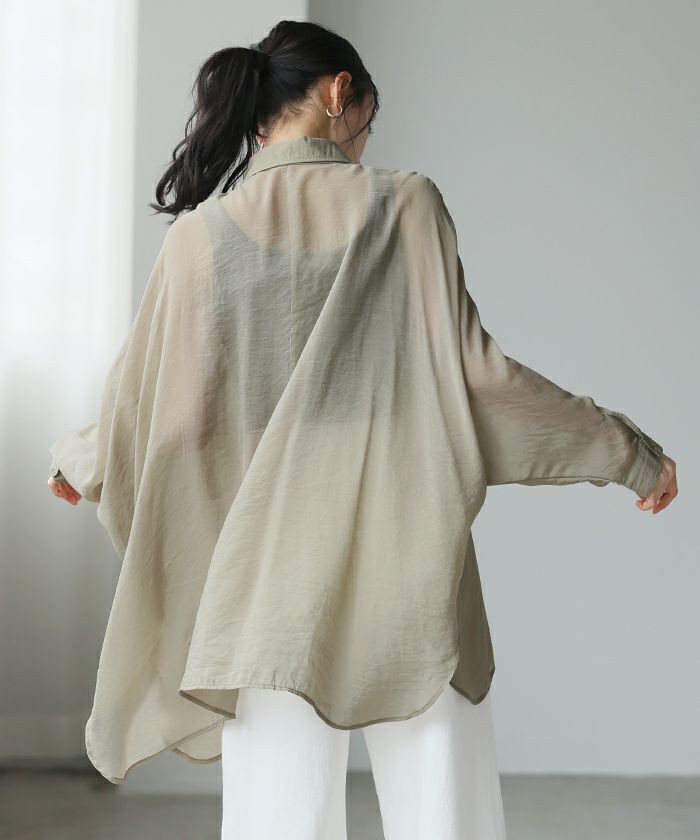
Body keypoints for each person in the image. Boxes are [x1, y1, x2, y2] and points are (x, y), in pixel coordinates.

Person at [47, 19, 677, 840]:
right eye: (368, 121)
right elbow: (481, 381)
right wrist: (627, 453)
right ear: (340, 92)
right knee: (443, 816)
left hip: (265, 585)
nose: (364, 142)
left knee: (277, 822)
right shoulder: (405, 203)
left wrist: (87, 459)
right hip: (408, 559)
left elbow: (169, 415)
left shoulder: (198, 238)